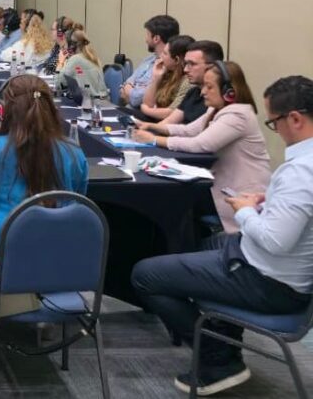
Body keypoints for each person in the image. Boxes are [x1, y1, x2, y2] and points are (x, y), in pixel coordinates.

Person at [131, 75, 313, 396]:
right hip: (273, 268)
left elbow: (275, 240)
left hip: (267, 281)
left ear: (295, 119)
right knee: (197, 244)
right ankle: (223, 337)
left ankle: (218, 358)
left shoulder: (301, 171)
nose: (276, 130)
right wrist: (267, 202)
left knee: (146, 274)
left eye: (274, 123)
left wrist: (244, 209)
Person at [0, 74, 88, 329]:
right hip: (61, 263)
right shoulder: (74, 152)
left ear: (3, 111)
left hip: (0, 266)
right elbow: (79, 201)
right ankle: (45, 323)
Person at [133, 61, 271, 232]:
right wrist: (152, 126)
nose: (203, 92)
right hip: (219, 187)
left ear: (229, 91)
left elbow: (200, 144)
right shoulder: (216, 110)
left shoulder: (238, 115)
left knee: (175, 206)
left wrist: (153, 140)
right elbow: (189, 130)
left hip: (238, 196)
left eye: (209, 87)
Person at [142, 40, 225, 128]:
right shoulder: (193, 92)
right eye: (186, 64)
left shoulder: (220, 99)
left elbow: (195, 135)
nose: (185, 69)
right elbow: (168, 122)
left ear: (212, 66)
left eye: (192, 64)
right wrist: (144, 130)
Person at [120, 15, 180, 108]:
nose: (146, 40)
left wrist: (130, 90)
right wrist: (132, 89)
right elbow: (123, 88)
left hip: (143, 116)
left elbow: (136, 100)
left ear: (156, 38)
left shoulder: (166, 66)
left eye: (147, 35)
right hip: (128, 111)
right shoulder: (149, 59)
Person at [137, 34, 195, 121]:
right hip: (157, 120)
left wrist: (146, 110)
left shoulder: (188, 81)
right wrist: (156, 78)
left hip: (171, 125)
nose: (160, 56)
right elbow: (148, 103)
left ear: (176, 60)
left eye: (165, 53)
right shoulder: (166, 72)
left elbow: (171, 112)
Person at [57, 29, 108, 99]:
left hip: (89, 104)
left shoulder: (75, 59)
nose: (64, 48)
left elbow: (58, 83)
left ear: (72, 46)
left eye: (65, 45)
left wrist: (61, 62)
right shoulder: (94, 57)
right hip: (102, 102)